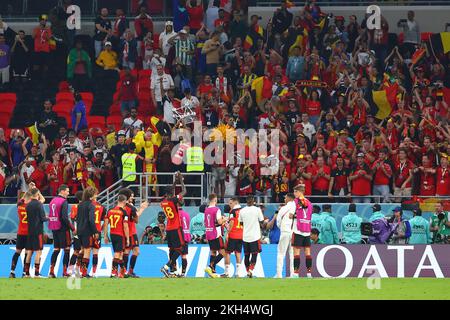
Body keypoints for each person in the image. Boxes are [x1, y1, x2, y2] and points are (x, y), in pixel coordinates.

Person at [159, 175, 187, 277]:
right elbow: (184, 192)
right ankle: (166, 267)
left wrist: (175, 182)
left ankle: (172, 271)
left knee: (172, 249)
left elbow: (171, 192)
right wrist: (181, 180)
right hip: (176, 227)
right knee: (180, 248)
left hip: (169, 228)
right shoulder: (173, 200)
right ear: (172, 192)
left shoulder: (163, 202)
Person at [119, 188, 148, 278]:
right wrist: (142, 208)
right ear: (127, 197)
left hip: (133, 232)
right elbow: (136, 219)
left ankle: (130, 271)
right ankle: (124, 272)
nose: (133, 197)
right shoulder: (127, 207)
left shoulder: (127, 206)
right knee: (126, 251)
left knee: (136, 251)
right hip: (128, 232)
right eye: (131, 196)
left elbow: (134, 214)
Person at [48, 184, 74, 278]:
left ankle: (51, 271)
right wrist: (72, 228)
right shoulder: (64, 201)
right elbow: (64, 217)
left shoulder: (52, 201)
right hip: (63, 229)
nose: (68, 193)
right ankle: (64, 272)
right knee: (66, 250)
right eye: (67, 191)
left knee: (56, 250)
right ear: (62, 191)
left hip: (54, 228)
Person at [103, 194, 129, 278]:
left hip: (112, 234)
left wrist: (105, 236)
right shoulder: (123, 212)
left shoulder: (110, 210)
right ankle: (113, 272)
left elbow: (106, 224)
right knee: (117, 253)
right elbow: (125, 226)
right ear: (124, 201)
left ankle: (124, 271)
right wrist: (127, 238)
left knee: (120, 253)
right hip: (120, 234)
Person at [290, 184, 313, 278]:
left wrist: (295, 216)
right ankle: (309, 273)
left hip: (298, 230)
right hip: (307, 230)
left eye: (295, 191)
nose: (294, 193)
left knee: (296, 253)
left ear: (300, 192)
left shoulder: (294, 202)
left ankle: (296, 274)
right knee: (307, 252)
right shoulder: (309, 203)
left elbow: (290, 215)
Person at [238, 195, 264, 278]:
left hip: (245, 236)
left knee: (246, 255)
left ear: (246, 201)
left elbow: (241, 223)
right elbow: (262, 221)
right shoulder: (257, 210)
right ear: (253, 201)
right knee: (254, 254)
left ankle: (247, 271)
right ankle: (250, 270)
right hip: (255, 236)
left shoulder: (242, 211)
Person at [23, 186, 47, 277]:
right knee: (38, 252)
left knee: (29, 252)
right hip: (38, 231)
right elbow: (43, 218)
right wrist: (48, 218)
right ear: (37, 194)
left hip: (30, 231)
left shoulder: (28, 205)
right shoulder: (39, 204)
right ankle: (37, 274)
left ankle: (27, 273)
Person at [76, 187, 99, 278]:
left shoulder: (80, 205)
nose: (96, 195)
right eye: (95, 194)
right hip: (87, 231)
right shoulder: (91, 205)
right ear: (92, 195)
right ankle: (84, 273)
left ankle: (78, 270)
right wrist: (95, 231)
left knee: (81, 250)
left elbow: (78, 218)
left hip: (80, 230)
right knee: (87, 251)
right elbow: (91, 220)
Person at [9, 190, 32, 278]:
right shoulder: (30, 207)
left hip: (20, 232)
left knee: (17, 252)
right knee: (27, 253)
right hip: (29, 233)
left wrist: (24, 195)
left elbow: (20, 201)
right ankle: (24, 273)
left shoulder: (19, 206)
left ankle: (12, 272)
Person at [204, 193, 227, 278]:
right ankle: (210, 266)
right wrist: (224, 219)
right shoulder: (217, 209)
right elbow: (220, 222)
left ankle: (213, 271)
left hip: (209, 233)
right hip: (216, 234)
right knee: (223, 252)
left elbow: (205, 222)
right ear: (215, 200)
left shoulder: (206, 210)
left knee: (213, 252)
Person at [274, 193, 295, 278]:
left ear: (289, 198)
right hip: (294, 232)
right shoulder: (296, 207)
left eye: (285, 198)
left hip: (285, 231)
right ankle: (293, 274)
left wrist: (282, 227)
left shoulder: (283, 208)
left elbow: (278, 222)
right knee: (292, 254)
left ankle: (279, 274)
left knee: (281, 253)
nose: (284, 199)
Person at [222, 197, 242, 278]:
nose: (230, 205)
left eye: (231, 203)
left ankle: (227, 273)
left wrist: (227, 233)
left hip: (233, 234)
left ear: (235, 203)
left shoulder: (232, 211)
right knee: (238, 253)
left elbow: (232, 223)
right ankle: (238, 273)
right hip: (241, 235)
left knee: (227, 253)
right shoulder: (242, 211)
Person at [68, 190, 83, 275]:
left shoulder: (74, 206)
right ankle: (75, 268)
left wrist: (73, 229)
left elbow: (72, 219)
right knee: (80, 251)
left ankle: (72, 269)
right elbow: (75, 219)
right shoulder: (82, 206)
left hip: (77, 232)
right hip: (81, 232)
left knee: (78, 251)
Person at [178, 199, 191, 277]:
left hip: (180, 236)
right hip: (186, 235)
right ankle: (183, 273)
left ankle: (173, 271)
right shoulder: (186, 214)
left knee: (175, 253)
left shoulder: (177, 214)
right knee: (184, 255)